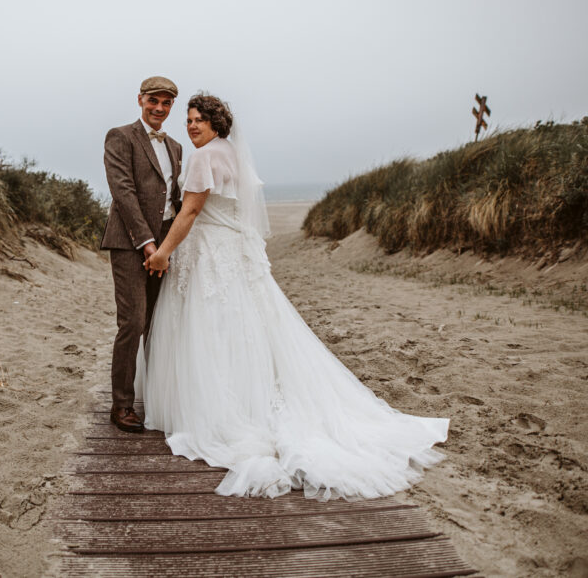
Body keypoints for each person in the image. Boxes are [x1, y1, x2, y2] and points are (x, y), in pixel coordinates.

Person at [138, 93, 449, 500]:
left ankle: (222, 410)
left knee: (209, 326)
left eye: (200, 120)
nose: (192, 126)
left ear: (217, 123)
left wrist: (163, 252)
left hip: (211, 253)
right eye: (190, 120)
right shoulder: (231, 153)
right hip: (236, 252)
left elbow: (191, 211)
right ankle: (249, 396)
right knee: (245, 326)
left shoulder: (202, 158)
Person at [100, 76, 183, 433]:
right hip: (129, 242)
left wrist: (172, 244)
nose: (159, 108)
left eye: (166, 103)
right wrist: (148, 243)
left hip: (165, 244)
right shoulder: (120, 136)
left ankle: (155, 395)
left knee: (156, 322)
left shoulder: (177, 147)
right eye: (154, 101)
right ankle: (121, 405)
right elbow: (123, 192)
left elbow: (175, 198)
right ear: (140, 100)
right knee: (132, 323)